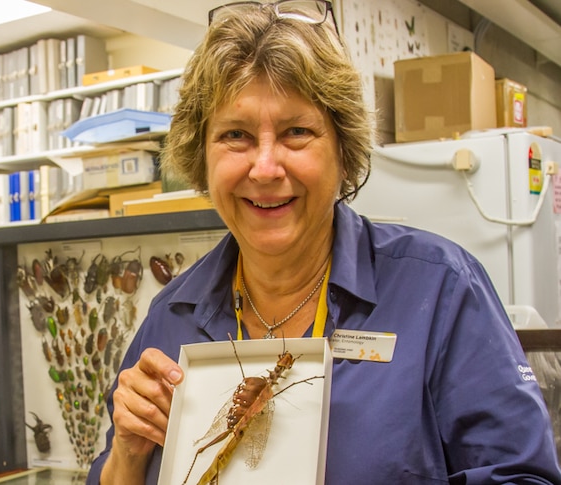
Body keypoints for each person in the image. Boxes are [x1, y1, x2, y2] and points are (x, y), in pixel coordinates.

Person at [86, 1, 561, 483]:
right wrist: (128, 454)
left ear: (343, 150)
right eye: (236, 135)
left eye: (296, 132)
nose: (266, 168)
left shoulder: (440, 292)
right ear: (201, 155)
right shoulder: (171, 318)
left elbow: (525, 477)